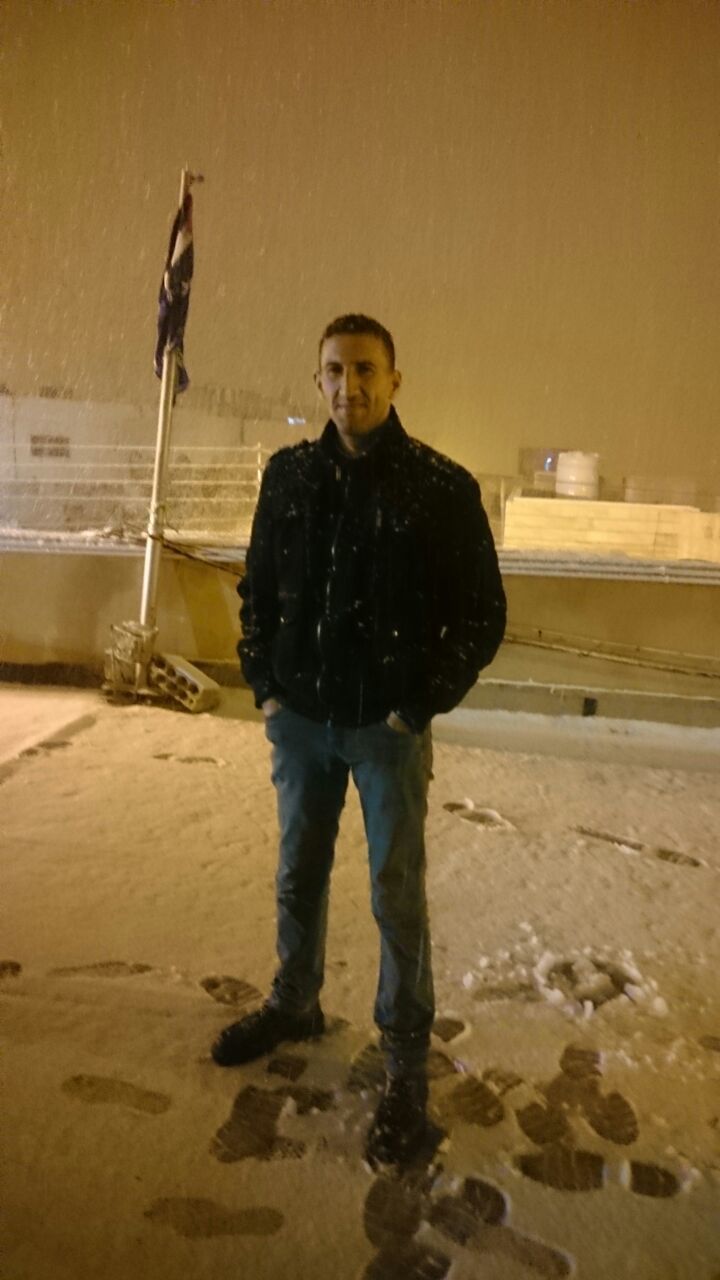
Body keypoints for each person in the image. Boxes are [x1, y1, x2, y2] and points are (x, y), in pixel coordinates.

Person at [211, 314, 506, 1166]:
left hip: (386, 729)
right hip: (301, 719)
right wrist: (264, 683)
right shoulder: (290, 476)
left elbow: (482, 615)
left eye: (367, 370)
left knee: (395, 895)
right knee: (298, 869)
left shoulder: (439, 489)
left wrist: (419, 705)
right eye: (335, 371)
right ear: (318, 381)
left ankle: (405, 1060)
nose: (351, 387)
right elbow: (257, 588)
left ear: (396, 379)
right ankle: (294, 1000)